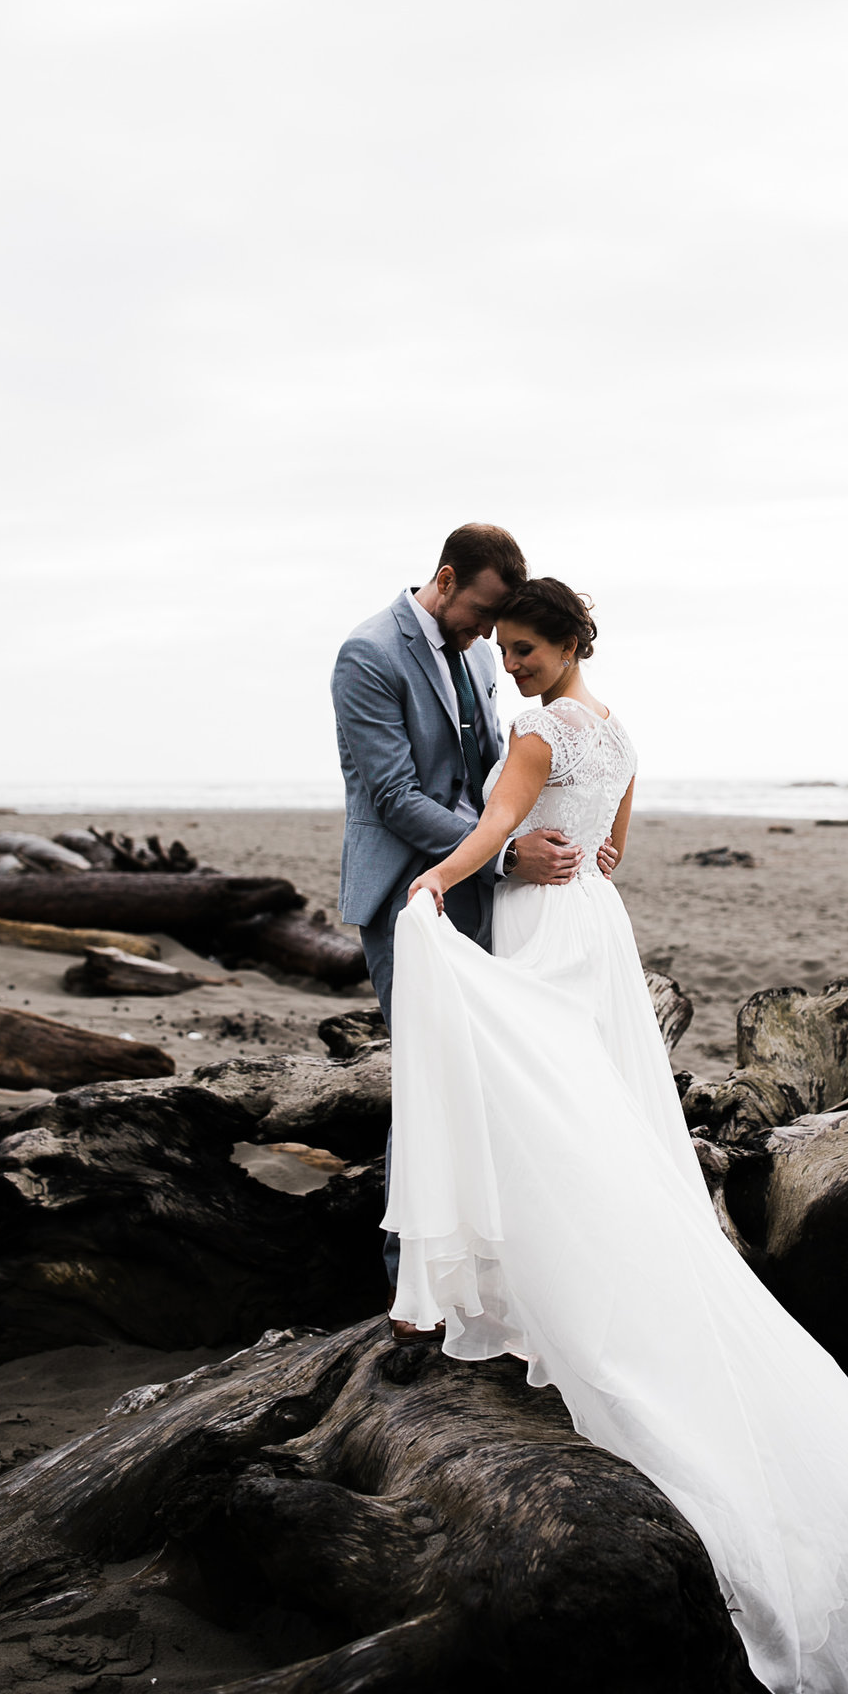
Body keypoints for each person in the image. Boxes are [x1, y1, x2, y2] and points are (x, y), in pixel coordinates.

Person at [385, 578, 848, 1694]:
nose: (513, 667)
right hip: (592, 928)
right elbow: (614, 843)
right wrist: (570, 854)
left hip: (543, 921)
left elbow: (492, 832)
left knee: (548, 1111)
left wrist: (429, 884)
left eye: (526, 649)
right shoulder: (616, 728)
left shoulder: (535, 731)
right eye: (508, 651)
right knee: (590, 1111)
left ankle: (552, 1281)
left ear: (569, 641)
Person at [329, 525, 589, 1297]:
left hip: (485, 893)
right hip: (408, 897)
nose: (489, 639)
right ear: (444, 579)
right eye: (479, 613)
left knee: (488, 1082)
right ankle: (415, 1293)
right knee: (427, 1085)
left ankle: (488, 1276)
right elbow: (395, 796)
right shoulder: (368, 654)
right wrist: (507, 850)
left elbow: (492, 781)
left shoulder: (479, 651)